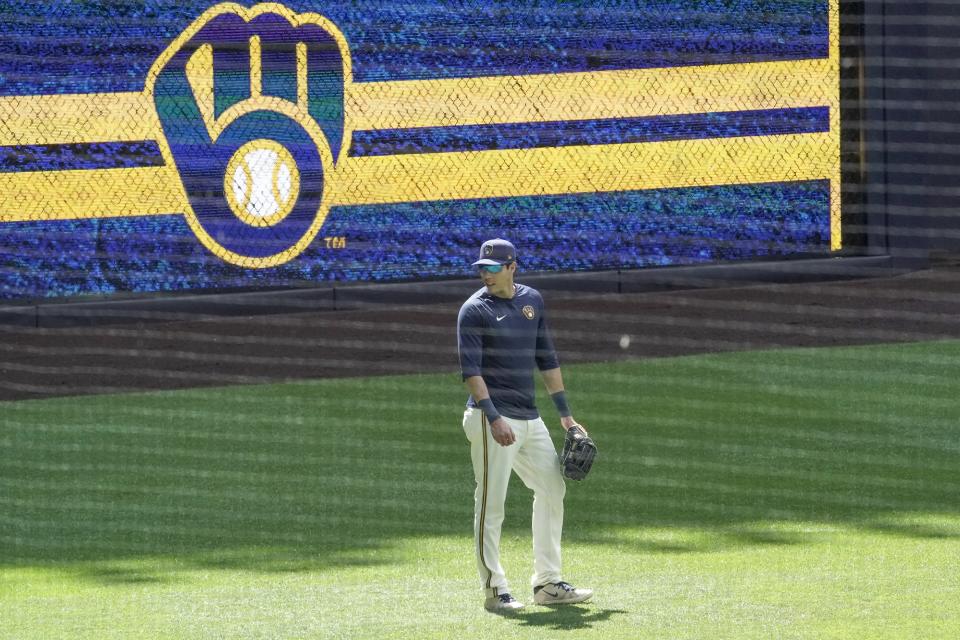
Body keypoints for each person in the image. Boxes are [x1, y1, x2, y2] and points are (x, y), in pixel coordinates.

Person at [457, 238, 593, 612]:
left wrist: (565, 414)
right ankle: (494, 589)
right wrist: (493, 416)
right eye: (481, 268)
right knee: (491, 503)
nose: (485, 273)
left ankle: (548, 583)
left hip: (529, 418)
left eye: (492, 267)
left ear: (512, 266)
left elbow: (546, 358)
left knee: (552, 487)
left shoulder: (532, 300)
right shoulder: (474, 311)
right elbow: (472, 372)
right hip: (491, 419)